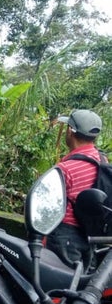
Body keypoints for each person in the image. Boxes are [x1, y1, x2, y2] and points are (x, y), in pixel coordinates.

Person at [46, 109, 103, 270]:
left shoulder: (65, 169)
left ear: (70, 131)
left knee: (58, 282)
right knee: (81, 282)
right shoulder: (103, 162)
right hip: (91, 238)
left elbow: (48, 208)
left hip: (65, 236)